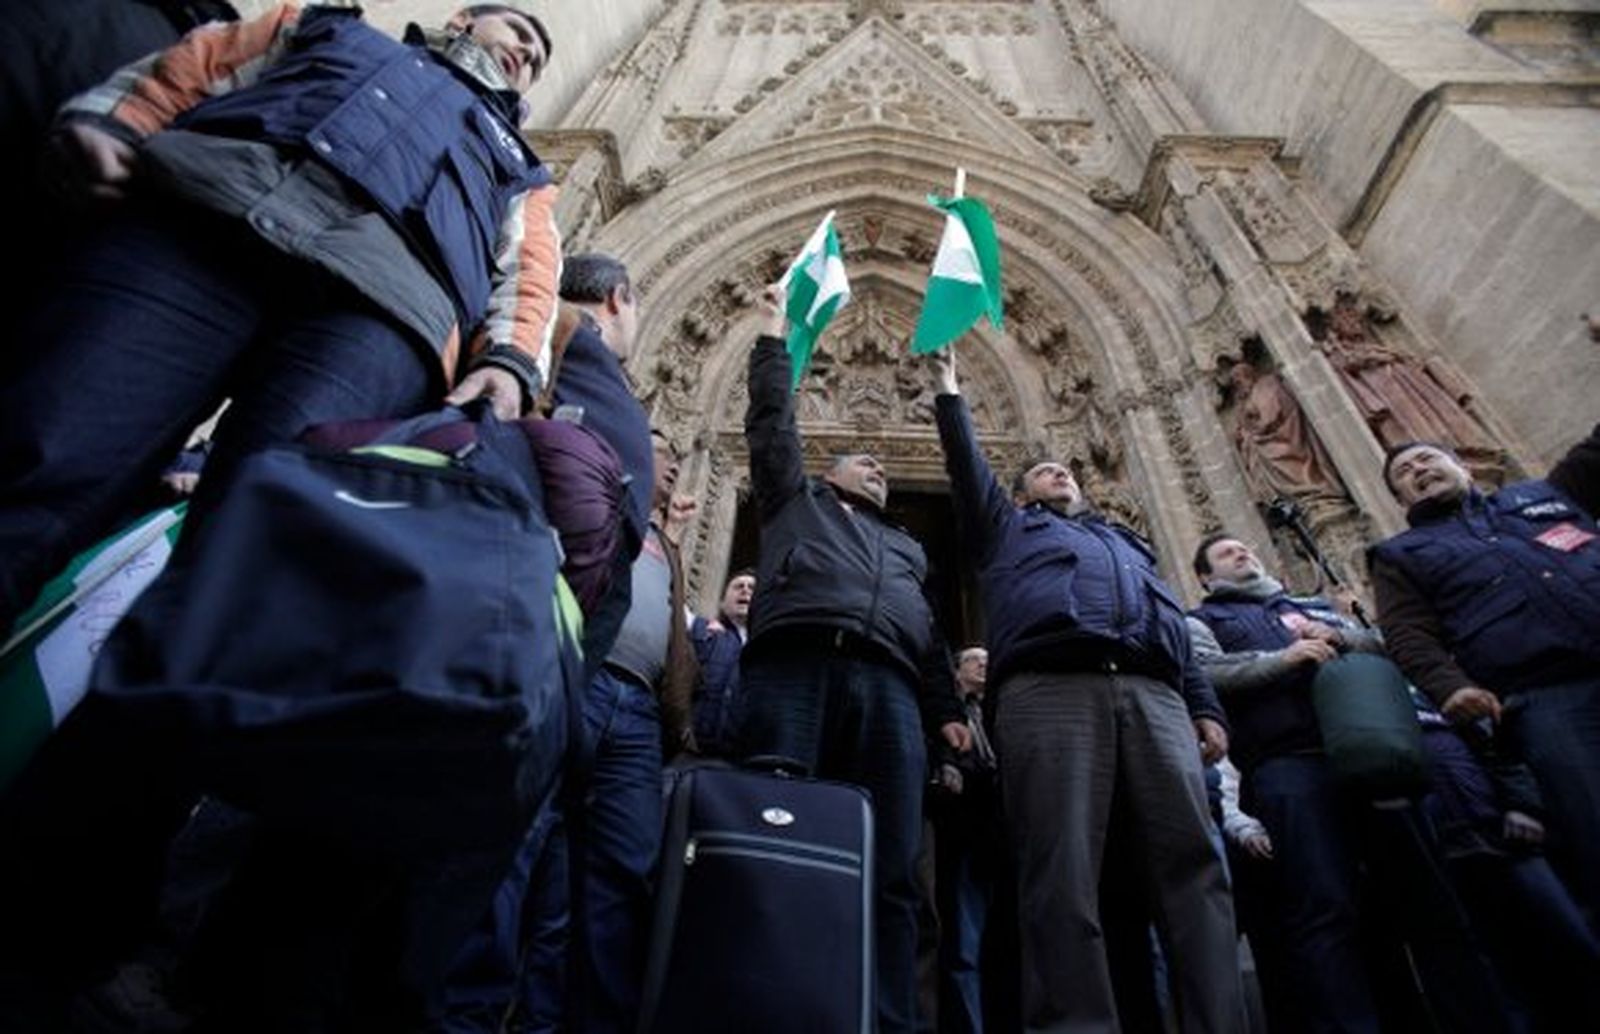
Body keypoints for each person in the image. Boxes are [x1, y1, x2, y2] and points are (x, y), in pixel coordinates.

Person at [0, 0, 561, 633]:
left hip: (385, 309)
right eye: (519, 32)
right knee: (46, 452)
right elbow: (200, 64)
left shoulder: (523, 169)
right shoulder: (328, 28)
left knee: (259, 559)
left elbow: (531, 270)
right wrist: (117, 120)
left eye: (537, 62)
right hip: (207, 219)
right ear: (462, 21)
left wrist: (511, 362)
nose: (527, 54)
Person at [928, 345, 1243, 1033]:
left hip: (1153, 692)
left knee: (1194, 867)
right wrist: (949, 390)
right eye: (1043, 472)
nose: (1060, 473)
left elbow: (1169, 618)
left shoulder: (1127, 544)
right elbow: (967, 466)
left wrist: (1203, 704)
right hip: (1052, 688)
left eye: (1064, 470)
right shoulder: (1006, 529)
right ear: (1020, 496)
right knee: (1060, 868)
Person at [740, 284, 971, 1034]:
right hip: (796, 669)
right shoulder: (793, 500)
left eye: (882, 467)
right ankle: (768, 1011)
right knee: (776, 834)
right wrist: (772, 334)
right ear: (827, 473)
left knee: (895, 863)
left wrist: (946, 713)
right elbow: (771, 421)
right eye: (862, 460)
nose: (877, 466)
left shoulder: (907, 549)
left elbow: (927, 635)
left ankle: (890, 1018)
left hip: (890, 691)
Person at [1190, 533, 1514, 1034]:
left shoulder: (1313, 606)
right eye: (1225, 553)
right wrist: (1281, 660)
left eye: (1243, 547)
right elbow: (1203, 674)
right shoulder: (1203, 620)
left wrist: (1341, 636)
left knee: (1429, 898)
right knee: (1325, 909)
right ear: (1206, 577)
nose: (1241, 553)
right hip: (1289, 763)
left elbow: (1387, 645)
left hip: (1372, 752)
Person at [1370, 428, 1600, 921]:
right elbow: (1408, 635)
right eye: (1404, 473)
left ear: (1464, 467)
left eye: (1427, 459)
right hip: (1547, 698)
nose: (1418, 470)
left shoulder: (1543, 496)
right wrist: (1451, 688)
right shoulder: (1400, 556)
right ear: (1400, 500)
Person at [929, 646, 999, 1034]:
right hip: (962, 834)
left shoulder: (999, 710)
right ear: (955, 673)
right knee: (963, 941)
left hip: (1000, 839)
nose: (984, 664)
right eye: (974, 660)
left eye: (988, 659)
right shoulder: (947, 716)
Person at [688, 569, 755, 758]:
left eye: (752, 588)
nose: (745, 590)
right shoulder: (699, 629)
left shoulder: (768, 653)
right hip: (690, 750)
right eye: (738, 586)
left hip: (741, 758)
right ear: (722, 603)